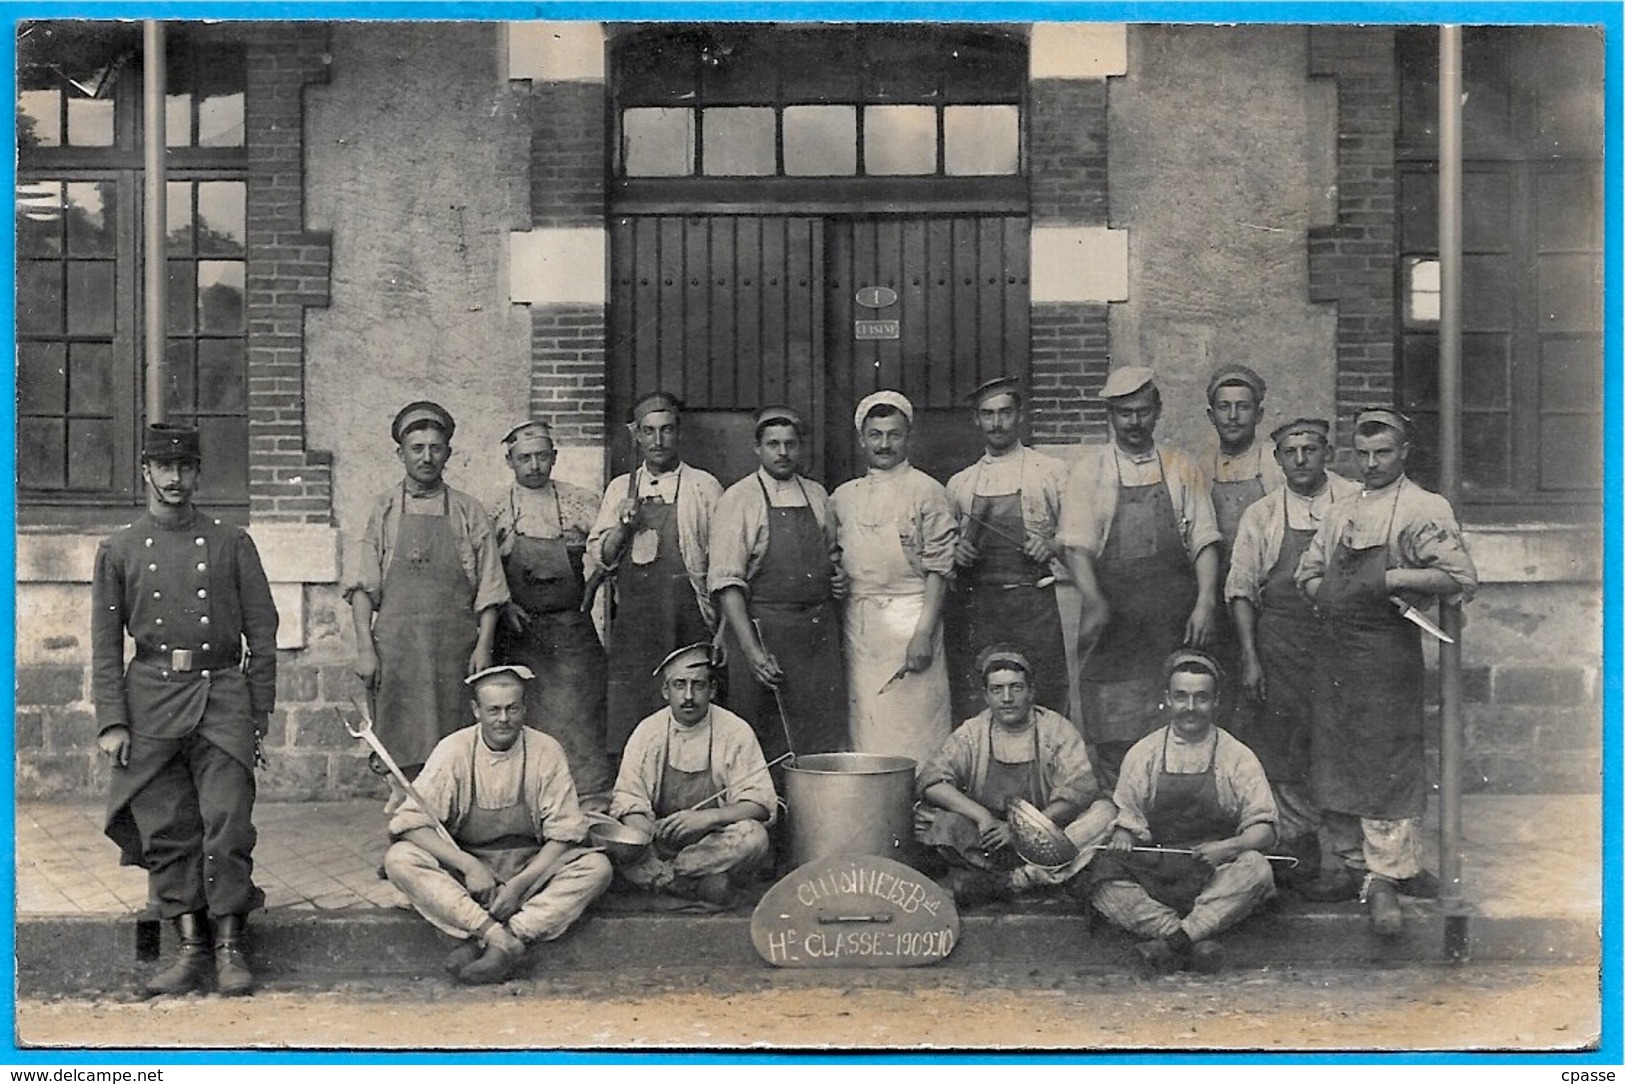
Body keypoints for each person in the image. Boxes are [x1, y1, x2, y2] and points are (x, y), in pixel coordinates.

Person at [92, 423, 280, 996]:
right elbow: (104, 642)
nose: (176, 479)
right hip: (150, 695)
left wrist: (258, 710)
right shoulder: (119, 548)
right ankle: (191, 948)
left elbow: (263, 633)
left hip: (222, 693)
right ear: (145, 471)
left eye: (187, 468)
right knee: (167, 827)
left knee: (227, 822)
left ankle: (229, 948)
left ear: (199, 472)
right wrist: (113, 720)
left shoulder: (231, 542)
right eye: (165, 468)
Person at [1294, 409, 1478, 935]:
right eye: (1364, 455)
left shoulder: (1425, 507)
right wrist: (1330, 596)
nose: (1372, 464)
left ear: (1404, 453)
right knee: (1334, 755)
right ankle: (1352, 867)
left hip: (1386, 655)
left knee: (1386, 761)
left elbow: (1460, 576)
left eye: (1384, 454)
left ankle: (1388, 876)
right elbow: (1308, 571)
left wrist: (1390, 577)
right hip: (1333, 654)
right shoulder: (1340, 510)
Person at [384, 665, 611, 985]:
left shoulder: (546, 750)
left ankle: (503, 936)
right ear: (476, 710)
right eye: (493, 710)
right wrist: (469, 866)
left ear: (524, 709)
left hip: (529, 867)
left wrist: (519, 885)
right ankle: (498, 938)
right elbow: (409, 823)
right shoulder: (453, 750)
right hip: (470, 872)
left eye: (512, 709)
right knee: (399, 860)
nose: (503, 719)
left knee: (597, 868)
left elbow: (565, 833)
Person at [1058, 367, 1223, 788]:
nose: (1134, 422)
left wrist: (1205, 601)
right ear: (1110, 417)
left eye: (1143, 412)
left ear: (1158, 411)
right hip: (1114, 626)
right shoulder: (1089, 471)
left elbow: (1204, 539)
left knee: (1177, 726)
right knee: (1114, 732)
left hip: (1172, 620)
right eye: (1124, 414)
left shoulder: (1181, 466)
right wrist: (1094, 600)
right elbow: (1076, 547)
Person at [1224, 417, 1361, 884]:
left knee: (1340, 742)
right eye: (1291, 452)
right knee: (1284, 745)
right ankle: (1300, 844)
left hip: (1341, 642)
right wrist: (1250, 658)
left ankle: (1347, 851)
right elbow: (1241, 590)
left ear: (1329, 453)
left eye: (1311, 450)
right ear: (1278, 458)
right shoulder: (1261, 514)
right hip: (1280, 644)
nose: (1301, 460)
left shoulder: (1355, 501)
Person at [1082, 650, 1277, 976]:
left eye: (1201, 698)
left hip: (1212, 870)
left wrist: (1227, 848)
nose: (1190, 708)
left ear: (1215, 701)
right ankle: (1190, 938)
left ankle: (1170, 945)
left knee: (1257, 869)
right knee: (1100, 881)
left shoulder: (1238, 756)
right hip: (1157, 870)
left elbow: (1265, 830)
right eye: (1181, 697)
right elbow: (1129, 816)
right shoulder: (1144, 753)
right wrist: (1123, 834)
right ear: (1167, 700)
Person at [346, 401, 508, 783]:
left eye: (436, 448)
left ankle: (452, 822)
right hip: (398, 651)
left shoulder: (469, 511)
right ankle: (407, 820)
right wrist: (365, 649)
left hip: (455, 651)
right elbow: (361, 587)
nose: (427, 457)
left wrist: (483, 647)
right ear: (400, 453)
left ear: (448, 453)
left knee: (457, 746)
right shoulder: (382, 510)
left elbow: (490, 587)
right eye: (417, 449)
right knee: (400, 748)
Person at [916, 645, 1116, 906]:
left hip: (1046, 835)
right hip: (988, 839)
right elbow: (931, 781)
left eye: (1016, 687)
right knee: (926, 818)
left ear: (1031, 692)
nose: (1007, 698)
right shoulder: (972, 733)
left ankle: (1017, 881)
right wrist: (982, 816)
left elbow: (1080, 790)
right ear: (986, 696)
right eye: (997, 690)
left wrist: (1021, 830)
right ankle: (1050, 877)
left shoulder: (1056, 730)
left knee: (1104, 813)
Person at [586, 391, 723, 755]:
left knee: (689, 699)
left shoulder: (703, 487)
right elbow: (601, 557)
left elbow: (721, 559)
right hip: (636, 618)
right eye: (649, 432)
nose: (658, 440)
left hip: (688, 613)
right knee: (633, 702)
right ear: (638, 436)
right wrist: (622, 526)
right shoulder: (620, 488)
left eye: (666, 430)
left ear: (679, 433)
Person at [710, 406, 848, 763]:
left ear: (800, 447)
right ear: (757, 449)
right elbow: (728, 585)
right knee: (763, 733)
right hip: (765, 635)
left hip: (818, 637)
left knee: (818, 731)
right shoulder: (738, 500)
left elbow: (831, 555)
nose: (783, 452)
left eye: (790, 443)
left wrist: (837, 577)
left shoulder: (817, 495)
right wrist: (753, 653)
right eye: (773, 444)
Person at [831, 390, 957, 767]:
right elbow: (835, 556)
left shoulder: (928, 491)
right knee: (870, 728)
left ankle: (925, 809)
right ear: (862, 439)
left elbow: (940, 568)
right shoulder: (843, 497)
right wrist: (837, 577)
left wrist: (922, 634)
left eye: (894, 434)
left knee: (918, 728)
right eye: (876, 435)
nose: (884, 444)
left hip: (914, 620)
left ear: (909, 438)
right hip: (863, 625)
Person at [491, 419, 613, 806]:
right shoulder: (495, 508)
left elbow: (608, 554)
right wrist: (504, 603)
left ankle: (587, 802)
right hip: (519, 635)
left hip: (572, 634)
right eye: (524, 458)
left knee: (581, 721)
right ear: (510, 461)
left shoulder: (579, 501)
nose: (534, 466)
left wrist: (591, 589)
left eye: (542, 456)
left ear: (554, 458)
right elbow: (483, 570)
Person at [944, 378, 1071, 723]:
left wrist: (1051, 544)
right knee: (982, 702)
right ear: (976, 420)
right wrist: (958, 553)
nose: (996, 423)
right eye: (988, 414)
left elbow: (1080, 531)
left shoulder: (1049, 471)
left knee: (1044, 695)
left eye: (1004, 413)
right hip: (981, 611)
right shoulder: (961, 483)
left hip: (1035, 608)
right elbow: (944, 549)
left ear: (1020, 417)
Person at [609, 644, 776, 905]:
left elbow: (761, 805)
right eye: (679, 685)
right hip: (660, 842)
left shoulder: (735, 731)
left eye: (698, 685)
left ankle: (667, 879)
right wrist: (647, 830)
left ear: (712, 690)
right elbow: (629, 798)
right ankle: (695, 883)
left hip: (713, 843)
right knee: (606, 831)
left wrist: (708, 818)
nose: (688, 696)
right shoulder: (648, 731)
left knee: (754, 837)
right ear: (666, 691)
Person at [1201, 364, 1285, 555]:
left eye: (1243, 407)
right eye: (1224, 407)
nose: (1233, 416)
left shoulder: (1276, 462)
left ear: (1259, 415)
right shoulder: (1202, 469)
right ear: (1211, 416)